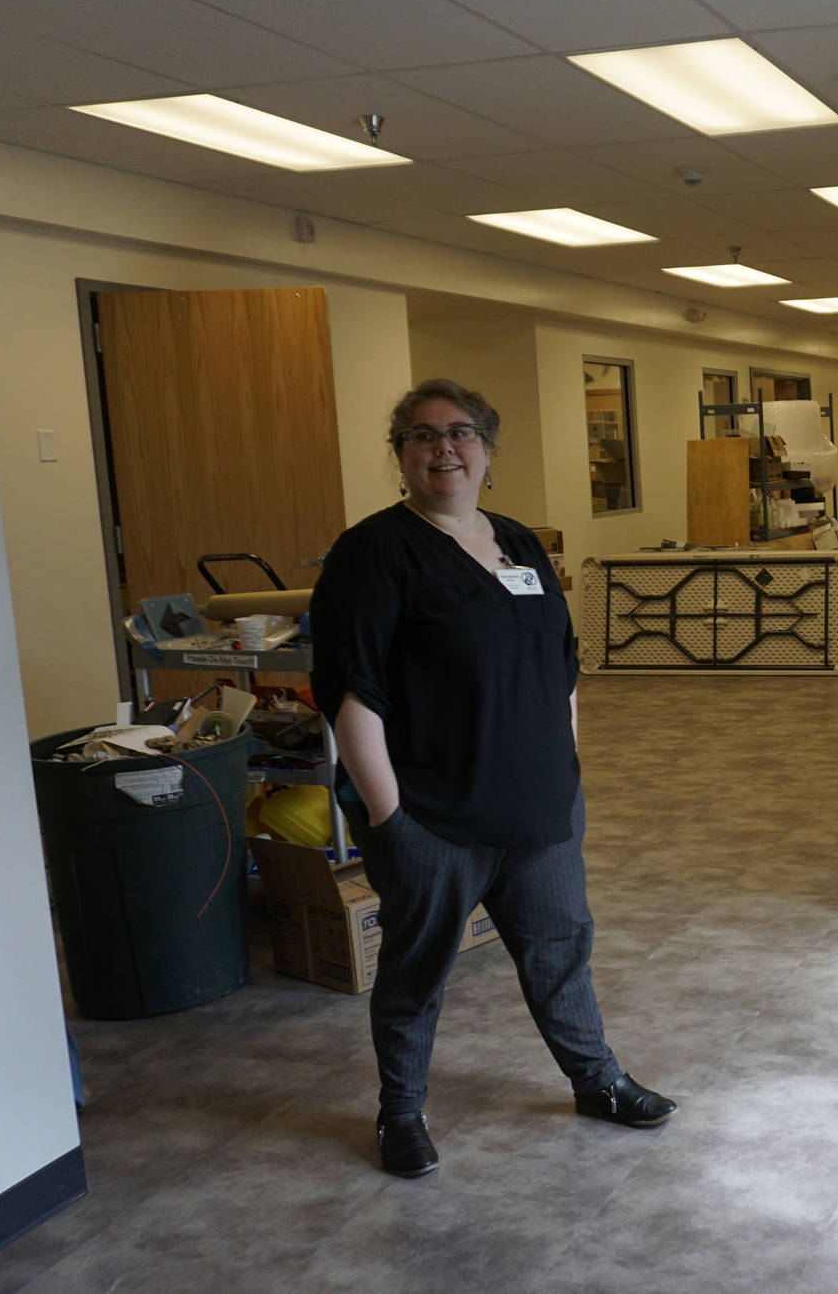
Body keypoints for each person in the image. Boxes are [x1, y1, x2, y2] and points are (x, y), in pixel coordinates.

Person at [309, 377, 674, 1179]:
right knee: (416, 973)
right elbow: (351, 694)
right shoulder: (373, 553)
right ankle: (400, 1111)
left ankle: (597, 1080)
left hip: (540, 809)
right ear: (401, 454)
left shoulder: (519, 541)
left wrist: (565, 770)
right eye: (423, 435)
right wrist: (391, 817)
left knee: (560, 951)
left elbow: (561, 667)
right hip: (435, 816)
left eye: (462, 433)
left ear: (487, 451)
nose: (445, 447)